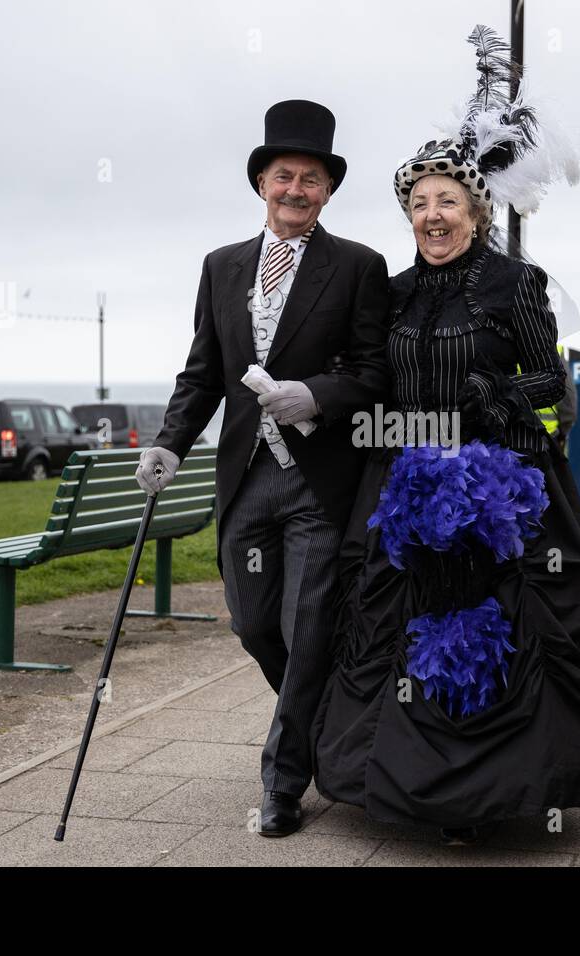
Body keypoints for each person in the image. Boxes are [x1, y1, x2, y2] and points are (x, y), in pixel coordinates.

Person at [311, 24, 580, 847]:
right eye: (417, 204)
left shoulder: (513, 283)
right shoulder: (394, 291)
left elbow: (551, 382)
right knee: (391, 622)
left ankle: (497, 796)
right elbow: (374, 382)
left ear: (477, 208)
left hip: (503, 485)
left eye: (445, 201)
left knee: (507, 622)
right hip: (405, 485)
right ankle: (408, 788)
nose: (430, 215)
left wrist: (495, 399)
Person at [134, 100, 391, 838]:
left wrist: (314, 393)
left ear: (329, 190)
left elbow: (373, 372)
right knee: (254, 627)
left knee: (306, 626)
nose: (297, 190)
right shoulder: (221, 267)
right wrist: (169, 445)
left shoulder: (358, 266)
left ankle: (283, 781)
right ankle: (326, 717)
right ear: (261, 183)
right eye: (285, 176)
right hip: (246, 478)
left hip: (316, 480)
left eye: (311, 179)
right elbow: (203, 373)